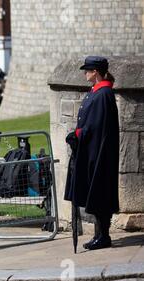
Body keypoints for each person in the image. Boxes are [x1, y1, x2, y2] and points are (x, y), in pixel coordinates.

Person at [64, 56, 119, 251]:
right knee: (94, 193)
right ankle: (99, 235)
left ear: (95, 71)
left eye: (87, 70)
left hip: (98, 153)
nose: (85, 73)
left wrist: (78, 134)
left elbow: (96, 124)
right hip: (92, 151)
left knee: (100, 194)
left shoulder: (103, 94)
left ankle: (103, 236)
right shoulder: (97, 92)